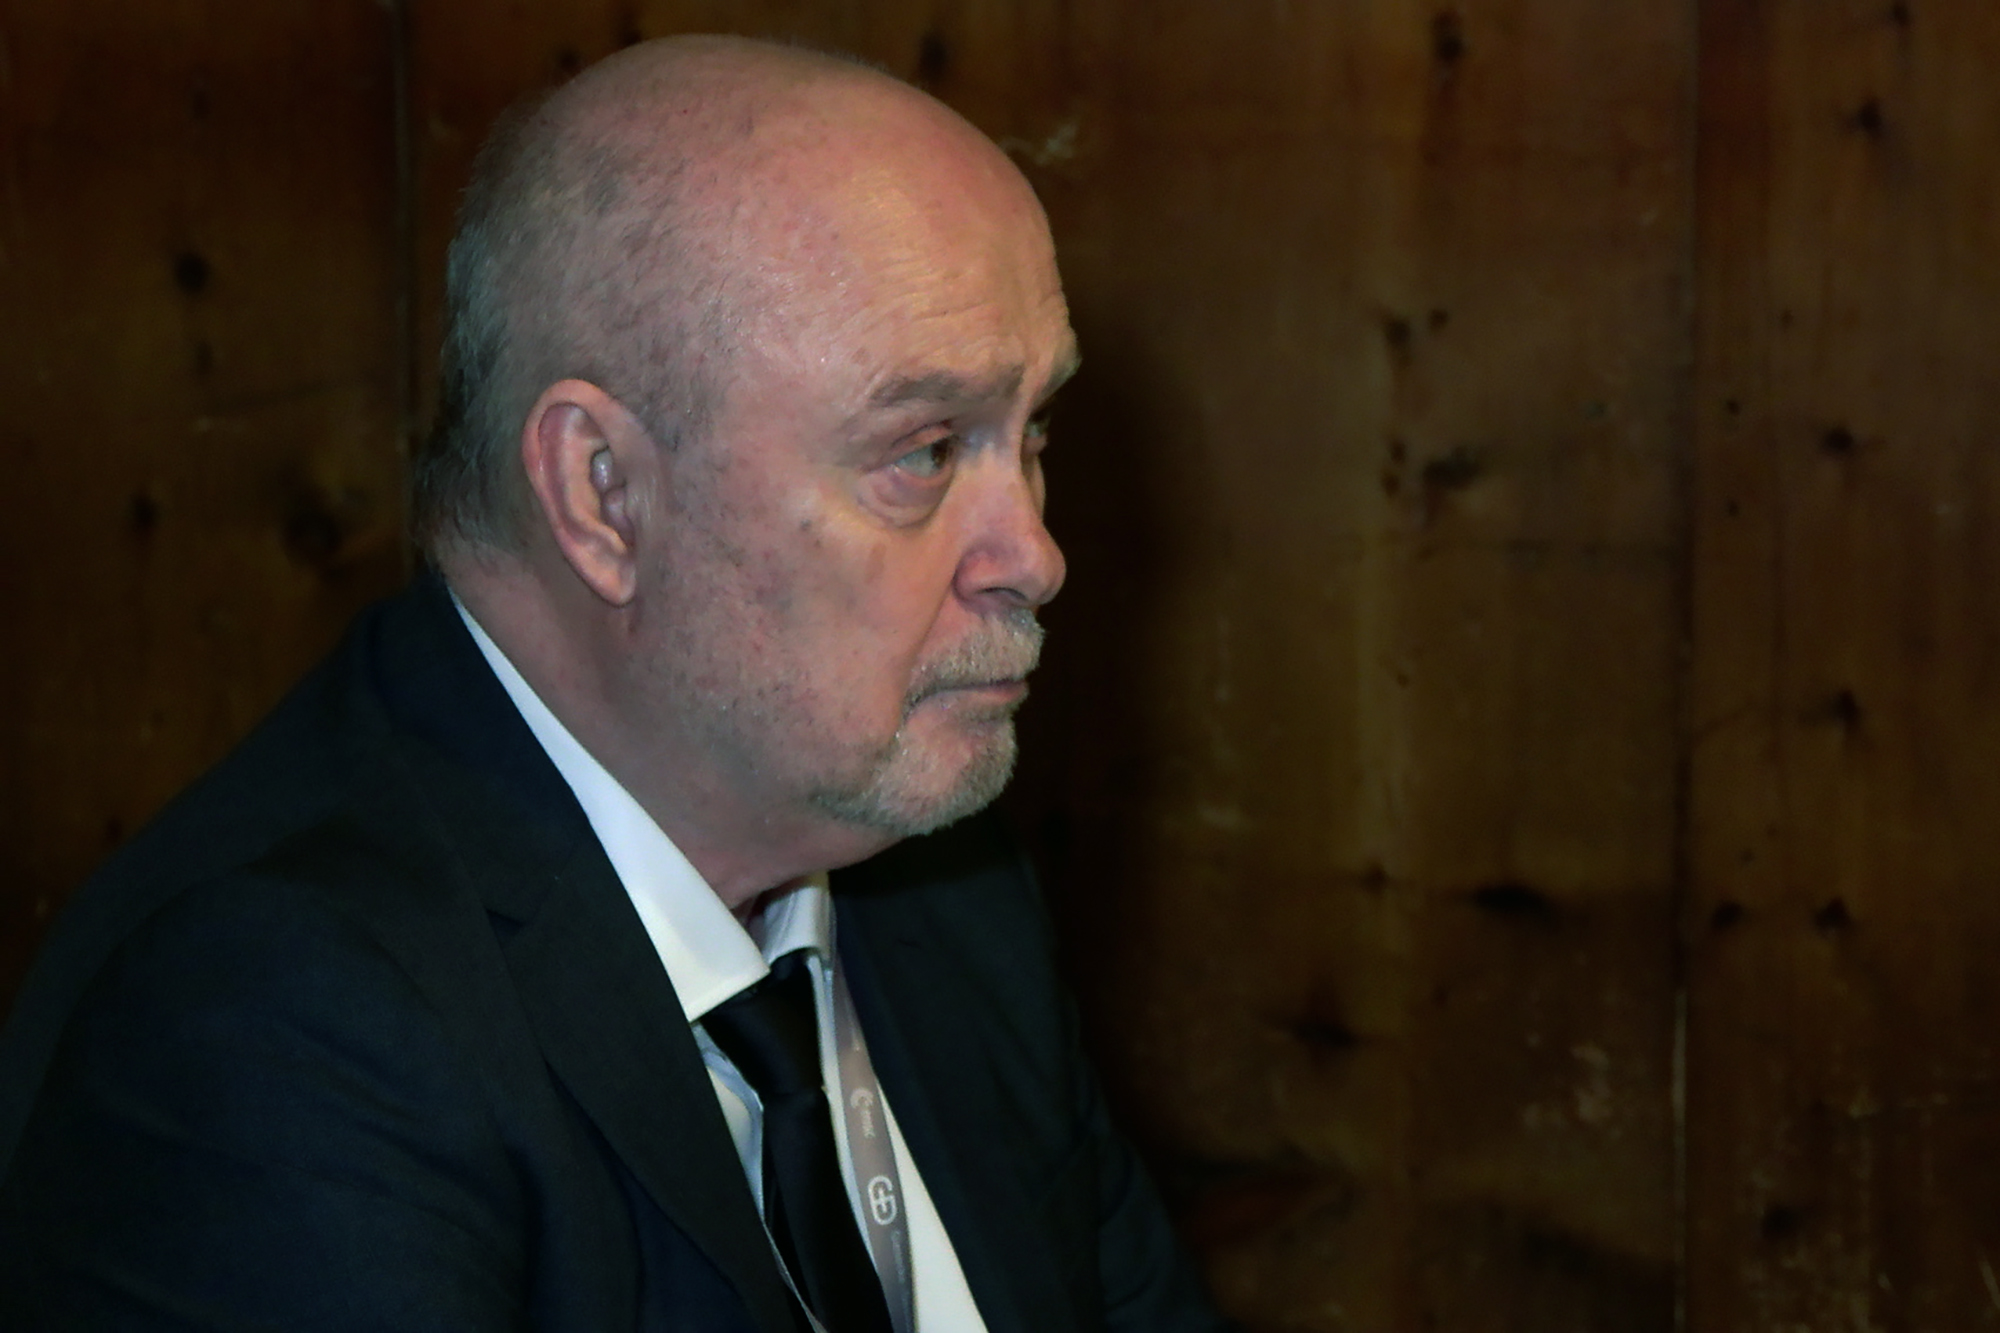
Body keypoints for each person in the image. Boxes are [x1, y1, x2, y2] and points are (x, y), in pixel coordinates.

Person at [0, 33, 1226, 1333]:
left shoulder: (942, 879)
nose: (1034, 554)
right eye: (924, 451)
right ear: (603, 495)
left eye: (1032, 432)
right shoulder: (278, 1030)